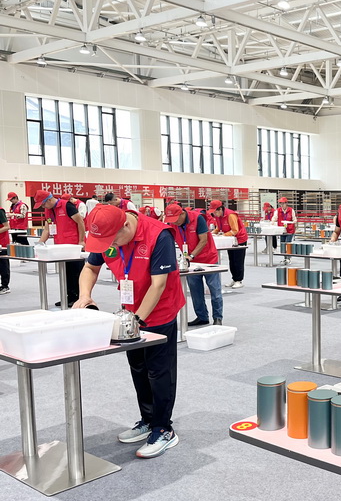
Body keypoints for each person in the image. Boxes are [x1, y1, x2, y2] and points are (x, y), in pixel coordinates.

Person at [74, 205, 184, 459]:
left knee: (159, 371)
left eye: (112, 240)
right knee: (138, 367)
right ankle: (148, 419)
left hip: (159, 311)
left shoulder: (159, 235)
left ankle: (163, 428)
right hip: (129, 310)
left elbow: (158, 285)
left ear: (125, 225)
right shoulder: (107, 236)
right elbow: (90, 268)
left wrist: (137, 320)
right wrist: (84, 295)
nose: (110, 246)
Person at [164, 203, 223, 326]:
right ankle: (202, 316)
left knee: (214, 289)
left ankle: (217, 317)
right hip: (190, 262)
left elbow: (203, 240)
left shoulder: (197, 219)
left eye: (176, 219)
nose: (174, 223)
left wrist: (191, 255)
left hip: (208, 259)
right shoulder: (172, 223)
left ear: (182, 213)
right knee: (195, 291)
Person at [35, 190, 86, 307]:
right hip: (60, 247)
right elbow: (47, 229)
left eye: (43, 204)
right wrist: (39, 244)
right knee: (65, 272)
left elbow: (80, 223)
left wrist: (81, 241)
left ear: (49, 200)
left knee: (77, 273)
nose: (43, 207)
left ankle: (80, 298)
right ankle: (69, 297)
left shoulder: (67, 206)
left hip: (74, 245)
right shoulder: (48, 210)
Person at [208, 200, 248, 289]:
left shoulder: (231, 215)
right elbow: (218, 228)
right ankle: (234, 279)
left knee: (238, 261)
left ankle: (239, 280)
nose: (214, 214)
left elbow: (235, 230)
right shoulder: (218, 216)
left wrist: (223, 235)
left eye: (215, 211)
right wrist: (212, 233)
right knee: (232, 260)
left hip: (239, 239)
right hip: (230, 240)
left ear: (220, 209)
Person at [274, 197, 296, 265]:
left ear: (286, 203)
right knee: (283, 244)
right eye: (280, 203)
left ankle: (288, 258)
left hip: (290, 230)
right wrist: (272, 222)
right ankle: (285, 257)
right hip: (282, 230)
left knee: (288, 243)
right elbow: (274, 218)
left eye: (283, 203)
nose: (282, 205)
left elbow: (294, 219)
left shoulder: (291, 210)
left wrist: (293, 222)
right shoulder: (278, 210)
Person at [0, 206, 10, 294]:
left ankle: (5, 286)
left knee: (3, 265)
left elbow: (6, 226)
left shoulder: (0, 211)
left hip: (2, 242)